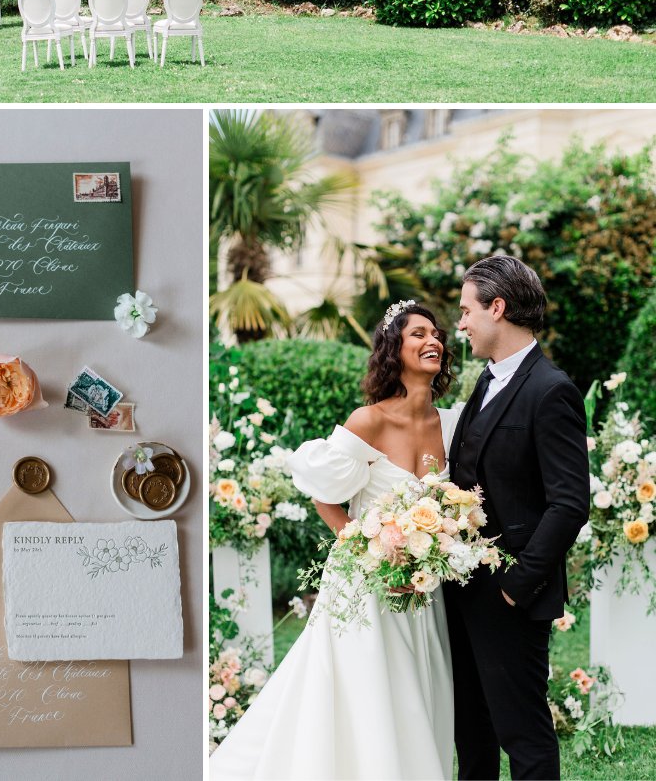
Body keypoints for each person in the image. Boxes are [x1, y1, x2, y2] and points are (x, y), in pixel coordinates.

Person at [211, 300, 463, 781]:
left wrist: (431, 550)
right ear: (394, 348)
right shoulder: (367, 420)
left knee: (417, 691)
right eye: (418, 334)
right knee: (365, 692)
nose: (434, 341)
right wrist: (372, 552)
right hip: (364, 584)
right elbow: (324, 497)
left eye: (437, 334)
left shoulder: (454, 424)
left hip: (423, 586)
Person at [447, 255, 589, 780]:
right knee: (473, 731)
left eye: (466, 310)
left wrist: (517, 584)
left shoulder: (551, 390)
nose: (460, 323)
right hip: (461, 587)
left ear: (497, 308)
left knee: (521, 733)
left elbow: (570, 502)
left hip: (510, 595)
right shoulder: (486, 382)